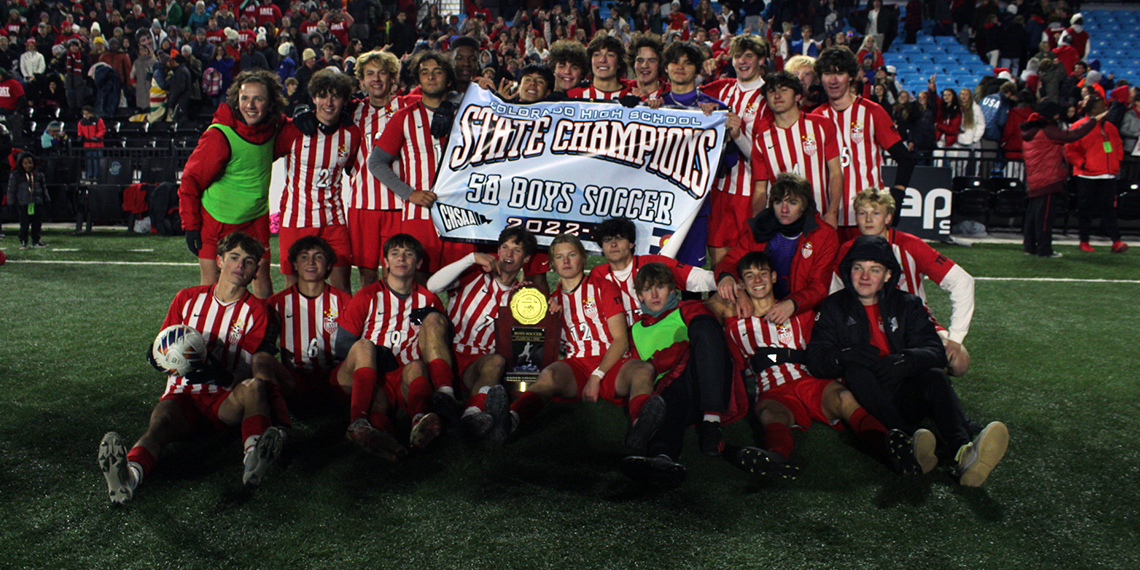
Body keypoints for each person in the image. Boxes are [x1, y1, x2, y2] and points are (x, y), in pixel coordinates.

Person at [806, 235, 1009, 487]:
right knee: (856, 371)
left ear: (888, 275)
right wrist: (843, 355)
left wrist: (906, 360)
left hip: (904, 389)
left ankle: (964, 451)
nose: (865, 276)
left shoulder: (908, 304)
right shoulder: (833, 307)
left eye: (874, 269)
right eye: (858, 268)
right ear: (848, 271)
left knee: (934, 375)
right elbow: (815, 359)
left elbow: (935, 351)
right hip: (867, 398)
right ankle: (908, 441)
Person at [98, 232, 284, 504]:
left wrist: (217, 374)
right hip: (182, 395)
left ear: (256, 270)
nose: (240, 266)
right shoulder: (187, 298)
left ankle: (254, 459)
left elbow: (245, 370)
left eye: (248, 261)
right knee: (159, 425)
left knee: (255, 387)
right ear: (219, 261)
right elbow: (162, 345)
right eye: (234, 257)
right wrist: (156, 357)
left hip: (224, 400)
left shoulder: (257, 311)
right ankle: (128, 477)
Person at [712, 250, 933, 477]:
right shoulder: (735, 327)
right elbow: (732, 366)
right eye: (749, 276)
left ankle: (893, 449)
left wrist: (779, 356)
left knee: (845, 398)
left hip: (812, 381)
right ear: (741, 284)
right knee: (770, 414)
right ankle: (775, 458)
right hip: (773, 390)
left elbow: (821, 353)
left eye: (763, 273)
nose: (757, 280)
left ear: (774, 276)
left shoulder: (800, 314)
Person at [496, 233, 655, 443]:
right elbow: (535, 345)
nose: (566, 261)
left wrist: (597, 377)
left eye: (571, 255)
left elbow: (620, 340)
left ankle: (640, 425)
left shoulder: (603, 287)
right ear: (553, 264)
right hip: (577, 365)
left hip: (612, 362)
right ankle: (509, 419)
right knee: (549, 375)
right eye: (559, 257)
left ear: (583, 258)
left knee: (643, 370)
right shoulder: (552, 302)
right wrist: (527, 304)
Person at [618, 262, 749, 485]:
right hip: (670, 393)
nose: (654, 295)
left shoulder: (688, 309)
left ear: (672, 290)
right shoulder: (635, 330)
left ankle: (711, 424)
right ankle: (662, 458)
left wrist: (668, 357)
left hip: (705, 381)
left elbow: (709, 342)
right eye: (648, 289)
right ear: (639, 296)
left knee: (704, 326)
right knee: (667, 396)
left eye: (660, 287)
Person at [837, 188, 975, 376]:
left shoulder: (910, 245)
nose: (868, 220)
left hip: (914, 323)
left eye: (875, 213)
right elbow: (835, 292)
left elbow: (962, 281)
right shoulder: (847, 249)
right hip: (866, 325)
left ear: (888, 218)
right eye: (863, 213)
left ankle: (918, 372)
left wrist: (955, 338)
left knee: (958, 362)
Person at [334, 234, 452, 450]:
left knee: (416, 366)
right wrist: (377, 354)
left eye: (409, 254)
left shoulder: (428, 300)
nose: (401, 259)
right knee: (363, 348)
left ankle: (420, 422)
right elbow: (342, 344)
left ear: (418, 263)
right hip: (371, 371)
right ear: (386, 262)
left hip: (407, 373)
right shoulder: (367, 295)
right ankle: (359, 423)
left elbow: (438, 342)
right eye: (395, 254)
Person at [179, 69, 287, 299]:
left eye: (258, 99)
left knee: (261, 279)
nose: (250, 105)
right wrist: (190, 225)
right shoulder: (219, 135)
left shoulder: (274, 127)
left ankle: (263, 322)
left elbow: (293, 130)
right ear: (236, 100)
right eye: (244, 98)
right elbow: (190, 180)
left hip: (254, 217)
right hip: (216, 219)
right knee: (211, 286)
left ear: (271, 103)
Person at [424, 227, 538, 441]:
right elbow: (432, 286)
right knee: (432, 320)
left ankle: (471, 416)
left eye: (516, 250)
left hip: (477, 366)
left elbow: (525, 349)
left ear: (526, 259)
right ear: (498, 250)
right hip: (446, 353)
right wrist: (470, 259)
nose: (508, 254)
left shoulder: (525, 297)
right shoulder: (474, 273)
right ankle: (445, 396)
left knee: (496, 361)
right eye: (505, 247)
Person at [368, 50, 473, 277]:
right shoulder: (404, 117)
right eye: (425, 73)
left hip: (463, 214)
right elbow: (376, 162)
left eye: (437, 72)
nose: (431, 77)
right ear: (419, 80)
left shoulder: (468, 114)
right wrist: (409, 194)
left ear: (449, 79)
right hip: (419, 215)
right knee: (418, 284)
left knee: (465, 283)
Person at [812, 46, 915, 241]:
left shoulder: (872, 112)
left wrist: (897, 197)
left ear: (851, 76)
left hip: (866, 218)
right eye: (827, 73)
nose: (833, 80)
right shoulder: (815, 117)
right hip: (827, 217)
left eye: (839, 73)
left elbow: (905, 158)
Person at [275, 68, 361, 294]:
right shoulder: (294, 130)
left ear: (344, 100)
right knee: (293, 289)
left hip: (333, 221)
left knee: (341, 288)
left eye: (335, 96)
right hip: (296, 219)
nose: (329, 103)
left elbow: (353, 167)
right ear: (313, 98)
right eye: (322, 96)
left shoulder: (352, 134)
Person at [716, 172, 839, 323]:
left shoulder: (824, 235)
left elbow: (819, 286)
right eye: (778, 202)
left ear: (804, 206)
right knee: (716, 304)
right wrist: (726, 277)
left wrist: (793, 304)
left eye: (792, 203)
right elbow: (731, 261)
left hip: (805, 309)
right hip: (760, 305)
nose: (784, 210)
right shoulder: (761, 226)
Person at [700, 34, 771, 267]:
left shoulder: (770, 97)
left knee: (750, 264)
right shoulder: (721, 89)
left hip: (753, 192)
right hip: (719, 189)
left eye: (749, 56)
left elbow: (765, 160)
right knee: (718, 264)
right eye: (738, 56)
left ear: (761, 60)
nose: (742, 61)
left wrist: (738, 136)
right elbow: (685, 95)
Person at [751, 71, 843, 227]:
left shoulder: (821, 125)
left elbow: (835, 172)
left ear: (798, 96)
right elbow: (760, 189)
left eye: (784, 90)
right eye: (772, 91)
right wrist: (758, 222)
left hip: (819, 218)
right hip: (781, 223)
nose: (777, 95)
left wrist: (832, 213)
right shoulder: (762, 139)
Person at [589, 217, 717, 326]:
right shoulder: (597, 275)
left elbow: (695, 277)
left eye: (619, 238)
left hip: (661, 331)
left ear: (631, 244)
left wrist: (724, 280)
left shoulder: (652, 263)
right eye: (607, 240)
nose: (613, 244)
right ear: (602, 248)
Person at [347, 49, 404, 288]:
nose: (376, 79)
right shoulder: (351, 111)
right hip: (362, 204)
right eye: (370, 74)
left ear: (393, 78)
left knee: (398, 273)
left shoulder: (407, 106)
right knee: (367, 275)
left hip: (399, 204)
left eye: (382, 73)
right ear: (361, 81)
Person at [1022, 101, 1102, 257]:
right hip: (1048, 179)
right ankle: (1044, 249)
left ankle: (1030, 246)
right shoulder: (1048, 130)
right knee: (1045, 217)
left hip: (1035, 178)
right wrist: (1093, 121)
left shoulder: (1031, 130)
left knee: (1033, 215)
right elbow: (1073, 135)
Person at [1066, 87, 1129, 254]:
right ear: (1092, 110)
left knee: (1109, 210)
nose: (1105, 108)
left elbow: (1118, 146)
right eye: (1101, 105)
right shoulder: (1079, 126)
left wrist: (1116, 162)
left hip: (1107, 174)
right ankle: (1084, 240)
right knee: (1085, 210)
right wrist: (1083, 164)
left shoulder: (1110, 127)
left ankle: (1116, 240)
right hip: (1087, 175)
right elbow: (1070, 150)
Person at [567, 35, 634, 101]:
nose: (602, 60)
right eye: (597, 54)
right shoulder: (573, 96)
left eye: (610, 55)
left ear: (619, 62)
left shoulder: (633, 95)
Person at [7, 151, 49, 249]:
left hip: (36, 203)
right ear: (21, 164)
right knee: (24, 224)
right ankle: (23, 241)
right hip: (23, 204)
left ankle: (36, 241)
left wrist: (46, 199)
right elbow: (11, 190)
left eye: (30, 163)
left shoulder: (38, 174)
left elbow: (44, 188)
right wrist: (11, 203)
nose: (28, 165)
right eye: (25, 163)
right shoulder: (16, 175)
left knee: (37, 223)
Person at [628, 33, 666, 100]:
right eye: (640, 60)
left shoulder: (671, 93)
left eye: (651, 61)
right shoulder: (623, 89)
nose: (644, 65)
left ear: (660, 64)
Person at [77, 106, 106, 181]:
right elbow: (80, 131)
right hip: (87, 146)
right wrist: (80, 136)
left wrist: (96, 137)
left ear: (91, 113)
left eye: (87, 114)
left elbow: (102, 130)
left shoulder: (98, 120)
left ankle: (97, 177)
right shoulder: (81, 122)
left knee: (97, 162)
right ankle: (90, 177)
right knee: (89, 162)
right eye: (84, 114)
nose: (85, 116)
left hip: (97, 145)